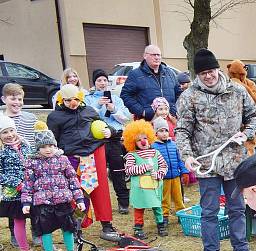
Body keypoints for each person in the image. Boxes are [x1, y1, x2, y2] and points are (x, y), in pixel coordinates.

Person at [175, 48, 256, 251]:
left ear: (217, 69)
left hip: (235, 160)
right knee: (210, 212)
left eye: (211, 70)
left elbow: (253, 117)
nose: (208, 75)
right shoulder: (189, 97)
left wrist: (248, 133)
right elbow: (182, 131)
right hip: (207, 164)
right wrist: (186, 156)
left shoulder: (237, 91)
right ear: (198, 75)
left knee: (237, 208)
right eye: (203, 72)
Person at [46, 84, 120, 241]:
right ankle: (76, 226)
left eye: (75, 99)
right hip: (72, 157)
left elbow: (104, 126)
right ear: (61, 100)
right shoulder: (54, 117)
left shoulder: (89, 111)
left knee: (101, 191)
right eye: (67, 100)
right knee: (77, 192)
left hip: (95, 153)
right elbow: (52, 140)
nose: (72, 103)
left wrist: (110, 131)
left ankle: (106, 225)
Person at [21, 128, 85, 251]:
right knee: (45, 230)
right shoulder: (31, 162)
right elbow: (27, 183)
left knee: (68, 228)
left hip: (63, 200)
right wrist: (26, 201)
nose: (48, 149)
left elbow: (73, 179)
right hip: (42, 202)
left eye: (50, 146)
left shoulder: (63, 159)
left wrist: (79, 199)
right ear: (37, 148)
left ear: (55, 145)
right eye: (43, 147)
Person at [84, 69, 132, 214]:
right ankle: (95, 205)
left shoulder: (116, 99)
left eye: (104, 80)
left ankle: (123, 202)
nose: (102, 83)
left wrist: (113, 109)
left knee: (118, 171)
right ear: (94, 83)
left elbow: (125, 118)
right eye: (99, 80)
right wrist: (98, 105)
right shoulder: (89, 98)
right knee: (96, 173)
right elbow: (87, 117)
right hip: (96, 140)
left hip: (114, 138)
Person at [0, 116, 42, 251]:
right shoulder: (2, 152)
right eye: (4, 132)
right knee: (19, 220)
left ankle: (44, 242)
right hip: (15, 192)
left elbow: (34, 161)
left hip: (32, 189)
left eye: (11, 130)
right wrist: (17, 183)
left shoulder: (26, 145)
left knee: (38, 215)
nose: (10, 135)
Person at [2, 82, 38, 248]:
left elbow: (36, 140)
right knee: (15, 205)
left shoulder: (30, 117)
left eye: (19, 99)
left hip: (29, 164)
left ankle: (37, 231)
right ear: (4, 99)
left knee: (35, 203)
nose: (16, 102)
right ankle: (14, 234)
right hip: (11, 171)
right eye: (12, 98)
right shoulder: (2, 120)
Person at [122, 120, 167, 238]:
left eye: (145, 138)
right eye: (138, 140)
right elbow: (129, 170)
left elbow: (164, 166)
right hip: (140, 189)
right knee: (139, 207)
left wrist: (158, 174)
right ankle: (138, 228)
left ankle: (161, 225)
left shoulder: (156, 153)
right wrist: (144, 167)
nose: (143, 141)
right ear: (133, 142)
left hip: (154, 185)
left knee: (157, 206)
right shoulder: (132, 155)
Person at [120, 44, 181, 121]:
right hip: (147, 122)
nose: (157, 57)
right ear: (145, 56)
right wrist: (142, 111)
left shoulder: (170, 73)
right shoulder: (135, 74)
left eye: (159, 55)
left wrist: (174, 109)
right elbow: (126, 95)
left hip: (170, 120)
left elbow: (179, 94)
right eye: (153, 55)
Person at [152, 117, 187, 224]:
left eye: (166, 130)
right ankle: (164, 216)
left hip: (176, 176)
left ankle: (181, 214)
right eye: (161, 131)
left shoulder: (173, 144)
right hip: (163, 178)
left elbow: (179, 159)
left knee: (178, 197)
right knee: (164, 198)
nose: (164, 133)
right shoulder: (153, 147)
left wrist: (184, 171)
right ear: (156, 133)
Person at [226, 60, 256, 155]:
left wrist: (243, 87)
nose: (239, 77)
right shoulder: (226, 84)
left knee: (249, 149)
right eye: (234, 74)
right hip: (231, 123)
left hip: (246, 123)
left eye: (242, 74)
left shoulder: (249, 84)